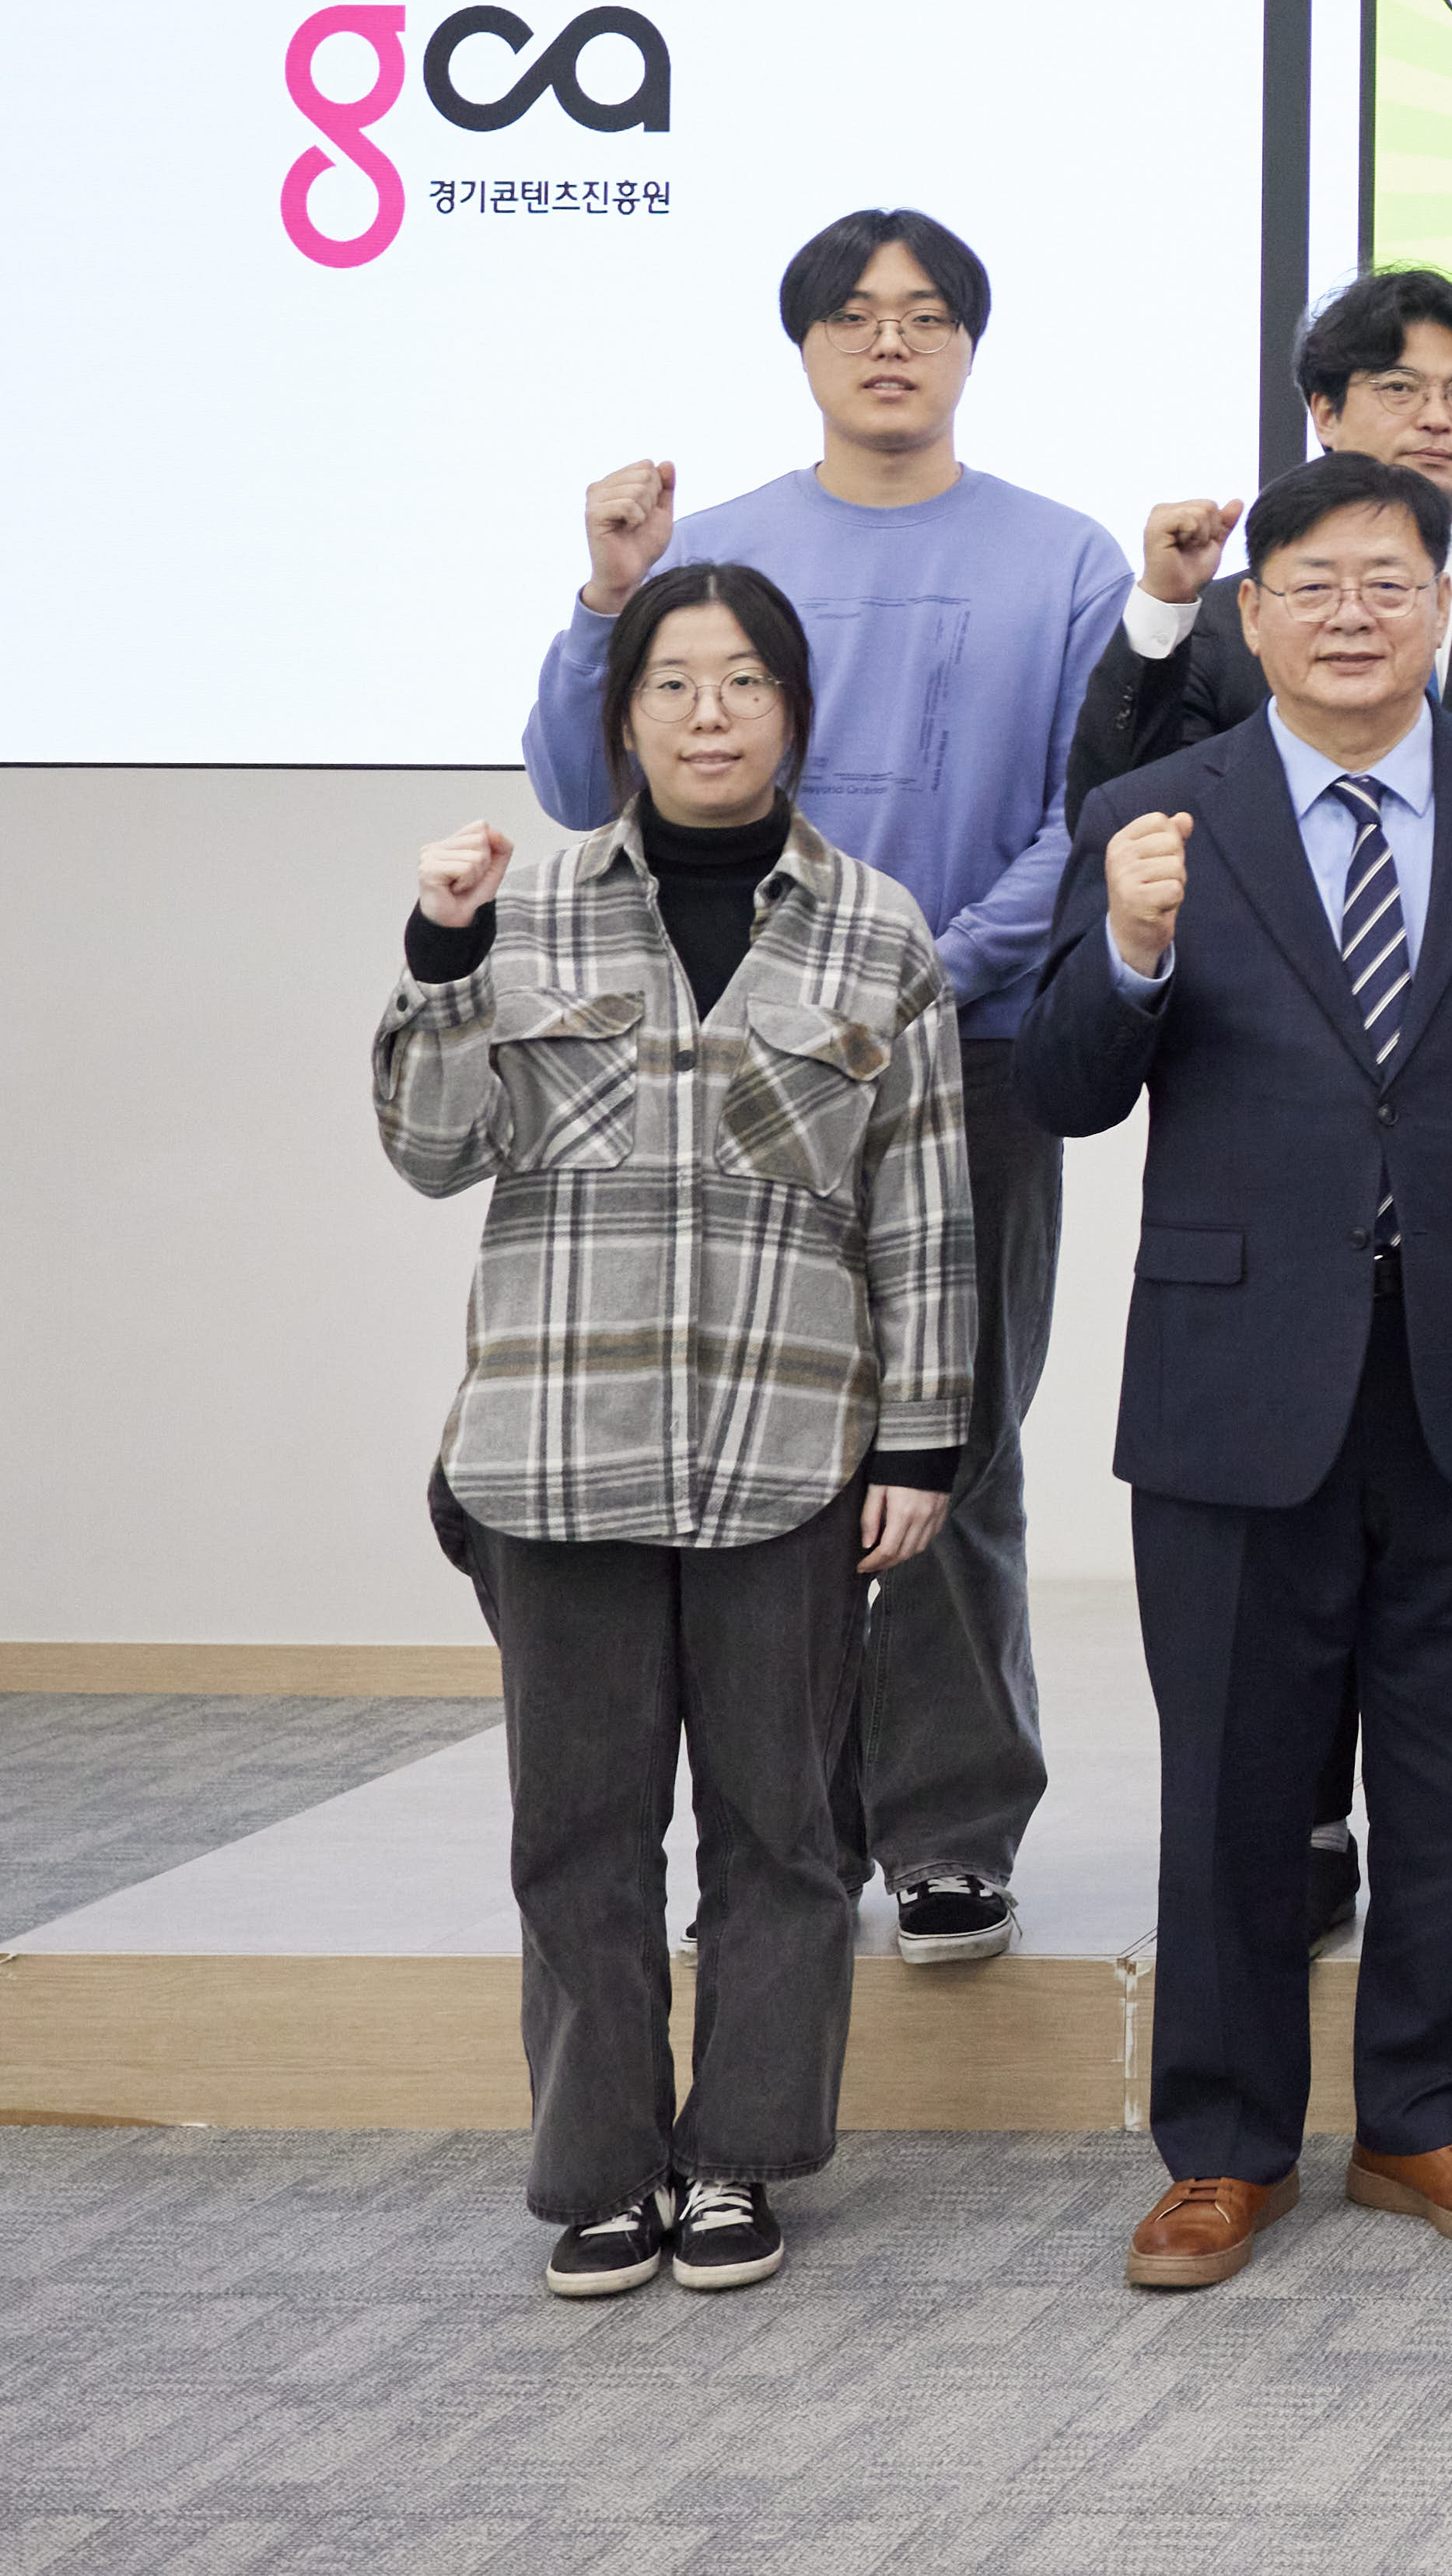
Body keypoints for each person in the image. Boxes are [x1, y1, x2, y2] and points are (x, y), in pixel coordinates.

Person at [1021, 453, 1452, 2293]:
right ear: (1253, 613)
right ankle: (1222, 2150)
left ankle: (1431, 2118)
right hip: (1235, 1367)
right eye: (1315, 584)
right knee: (1232, 1775)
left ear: (1445, 605)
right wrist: (1131, 947)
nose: (1354, 614)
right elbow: (1065, 1086)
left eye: (1390, 581)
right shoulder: (1154, 812)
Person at [536, 206, 1121, 1969]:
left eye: (926, 315)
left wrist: (929, 972)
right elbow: (580, 782)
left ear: (969, 346)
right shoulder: (711, 549)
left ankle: (951, 1830)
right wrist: (607, 598)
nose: (890, 342)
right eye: (855, 316)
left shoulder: (1064, 559)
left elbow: (1088, 814)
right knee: (753, 1450)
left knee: (957, 1447)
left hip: (974, 1056)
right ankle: (782, 1832)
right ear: (803, 346)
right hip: (729, 1065)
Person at [386, 563, 973, 2301]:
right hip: (553, 1454)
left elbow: (926, 1210)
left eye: (744, 683)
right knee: (577, 1836)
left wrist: (922, 1444)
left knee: (782, 1833)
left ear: (795, 710)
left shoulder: (878, 930)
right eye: (672, 684)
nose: (709, 715)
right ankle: (599, 2170)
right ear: (622, 715)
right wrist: (440, 953)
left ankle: (741, 2158)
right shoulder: (524, 913)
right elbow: (431, 1149)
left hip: (788, 1456)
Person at [1075, 264, 1452, 810]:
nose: (1438, 418)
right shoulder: (1226, 620)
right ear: (1326, 414)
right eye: (1400, 387)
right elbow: (1119, 812)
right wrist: (1165, 604)